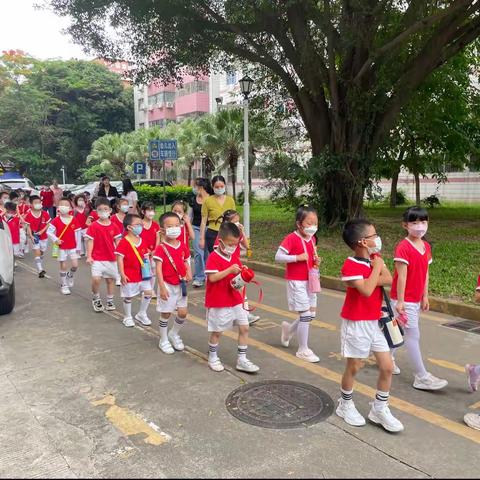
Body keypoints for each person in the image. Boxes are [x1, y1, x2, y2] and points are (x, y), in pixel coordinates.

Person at [336, 219, 403, 432]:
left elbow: (389, 280)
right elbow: (365, 290)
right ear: (363, 242)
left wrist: (376, 271)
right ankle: (345, 404)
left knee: (387, 366)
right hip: (355, 323)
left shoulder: (374, 260)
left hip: (374, 322)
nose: (378, 239)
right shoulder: (350, 264)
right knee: (354, 366)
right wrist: (378, 269)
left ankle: (379, 408)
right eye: (374, 235)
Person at [390, 206, 448, 391]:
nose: (419, 226)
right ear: (405, 225)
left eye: (423, 222)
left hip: (415, 299)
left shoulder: (426, 246)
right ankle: (421, 377)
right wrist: (400, 302)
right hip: (404, 300)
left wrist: (425, 296)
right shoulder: (403, 247)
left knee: (398, 330)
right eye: (414, 223)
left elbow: (426, 273)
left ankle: (386, 358)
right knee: (412, 335)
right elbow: (402, 277)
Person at [204, 221, 260, 373]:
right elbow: (213, 278)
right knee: (217, 331)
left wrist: (243, 272)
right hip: (219, 301)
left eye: (235, 244)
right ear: (220, 241)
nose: (233, 247)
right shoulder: (213, 257)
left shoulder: (233, 255)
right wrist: (229, 270)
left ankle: (242, 359)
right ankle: (213, 357)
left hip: (236, 299)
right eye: (230, 244)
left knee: (244, 327)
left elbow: (237, 274)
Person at [275, 206, 321, 363]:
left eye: (315, 222)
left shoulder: (312, 239)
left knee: (310, 315)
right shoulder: (291, 238)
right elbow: (278, 256)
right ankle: (303, 349)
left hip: (311, 280)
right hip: (297, 281)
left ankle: (288, 329)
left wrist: (316, 261)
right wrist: (296, 258)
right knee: (305, 315)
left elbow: (311, 257)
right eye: (309, 223)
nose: (313, 226)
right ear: (299, 224)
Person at [153, 212, 192, 354]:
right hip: (168, 285)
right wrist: (162, 288)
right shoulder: (161, 248)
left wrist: (189, 272)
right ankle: (163, 339)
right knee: (166, 313)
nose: (175, 228)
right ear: (163, 230)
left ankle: (173, 334)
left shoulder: (182, 246)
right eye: (170, 226)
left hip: (180, 285)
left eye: (177, 225)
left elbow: (186, 260)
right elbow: (158, 270)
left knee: (182, 313)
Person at [213, 209, 260, 325]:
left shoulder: (237, 234)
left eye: (239, 221)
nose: (238, 224)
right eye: (235, 222)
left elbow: (246, 246)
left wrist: (242, 232)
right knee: (231, 288)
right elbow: (216, 251)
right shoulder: (222, 236)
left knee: (241, 287)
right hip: (226, 267)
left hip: (236, 265)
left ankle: (245, 314)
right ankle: (232, 312)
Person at [85, 198, 123, 312]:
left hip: (111, 258)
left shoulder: (114, 226)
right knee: (96, 279)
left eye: (105, 209)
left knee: (110, 280)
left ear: (110, 210)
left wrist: (122, 255)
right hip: (97, 258)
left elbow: (118, 242)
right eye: (100, 209)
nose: (103, 211)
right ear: (96, 211)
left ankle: (110, 300)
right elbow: (90, 241)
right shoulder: (93, 226)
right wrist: (89, 255)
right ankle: (96, 298)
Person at [115, 214, 153, 327]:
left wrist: (150, 269)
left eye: (141, 224)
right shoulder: (123, 242)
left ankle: (142, 313)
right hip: (129, 274)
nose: (140, 227)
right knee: (128, 296)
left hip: (143, 274)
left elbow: (146, 256)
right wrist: (122, 274)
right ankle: (127, 316)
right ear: (129, 227)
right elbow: (119, 259)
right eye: (138, 224)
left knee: (148, 292)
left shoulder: (142, 240)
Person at [47, 198, 82, 295]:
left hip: (73, 247)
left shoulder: (73, 219)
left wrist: (79, 247)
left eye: (66, 205)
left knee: (75, 265)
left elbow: (78, 233)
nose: (64, 207)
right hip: (61, 247)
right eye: (61, 204)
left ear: (70, 208)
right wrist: (55, 240)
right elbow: (49, 232)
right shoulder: (56, 220)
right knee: (63, 265)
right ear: (58, 207)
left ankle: (70, 275)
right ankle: (64, 285)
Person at [199, 175, 236, 255]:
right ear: (213, 187)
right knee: (215, 257)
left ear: (225, 186)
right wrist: (201, 239)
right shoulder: (207, 201)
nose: (219, 188)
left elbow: (234, 219)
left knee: (226, 257)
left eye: (221, 186)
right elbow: (203, 221)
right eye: (217, 187)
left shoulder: (230, 200)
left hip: (227, 233)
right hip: (212, 233)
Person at [189, 177, 210, 288]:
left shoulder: (211, 199)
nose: (194, 188)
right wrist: (187, 228)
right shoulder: (193, 199)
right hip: (196, 228)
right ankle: (199, 277)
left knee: (207, 253)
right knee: (198, 253)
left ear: (201, 187)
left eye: (195, 186)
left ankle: (208, 275)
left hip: (209, 228)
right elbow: (189, 216)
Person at [24, 195, 51, 278]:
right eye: (36, 203)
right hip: (34, 237)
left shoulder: (45, 214)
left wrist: (42, 231)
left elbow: (48, 224)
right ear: (31, 204)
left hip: (44, 237)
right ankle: (40, 270)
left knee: (42, 251)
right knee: (37, 252)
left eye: (39, 202)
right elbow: (28, 226)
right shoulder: (29, 215)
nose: (38, 204)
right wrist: (31, 236)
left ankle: (40, 263)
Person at [140, 202, 160, 294]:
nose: (151, 212)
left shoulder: (155, 225)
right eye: (148, 210)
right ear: (143, 212)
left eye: (152, 210)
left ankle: (151, 289)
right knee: (145, 270)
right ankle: (144, 288)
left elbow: (158, 237)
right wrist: (146, 249)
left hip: (153, 252)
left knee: (153, 269)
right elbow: (138, 237)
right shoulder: (139, 224)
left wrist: (155, 249)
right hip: (143, 252)